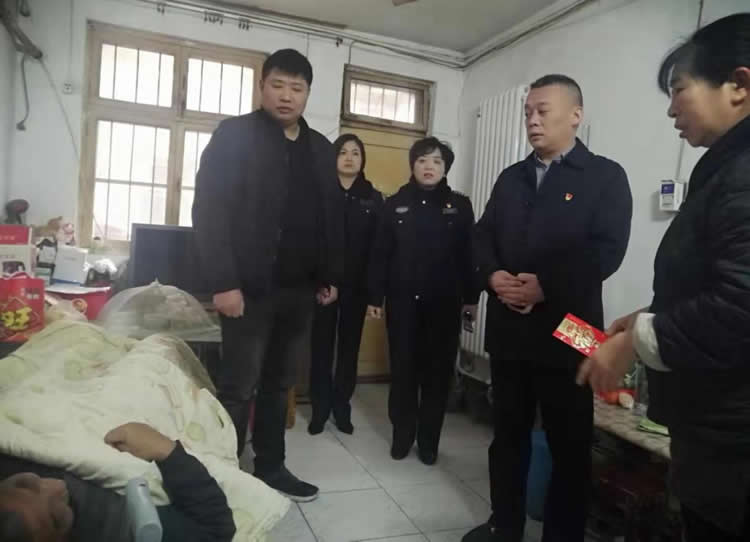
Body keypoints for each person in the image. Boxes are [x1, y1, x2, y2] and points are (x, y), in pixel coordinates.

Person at [577, 13, 750, 542]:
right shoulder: (724, 166)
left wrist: (637, 338)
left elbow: (740, 306)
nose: (671, 108)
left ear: (739, 85)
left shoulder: (742, 173)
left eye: (679, 90)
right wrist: (647, 316)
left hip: (734, 440)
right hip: (715, 431)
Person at [466, 75, 632, 542]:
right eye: (528, 113)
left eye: (543, 111)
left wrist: (546, 286)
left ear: (575, 115)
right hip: (510, 327)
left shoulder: (605, 176)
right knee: (508, 435)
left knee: (570, 443)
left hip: (573, 329)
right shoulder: (511, 177)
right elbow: (482, 236)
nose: (533, 121)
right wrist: (492, 275)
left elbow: (607, 251)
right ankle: (505, 524)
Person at [192, 49, 343, 502]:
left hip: (299, 291)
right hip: (247, 290)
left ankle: (271, 467)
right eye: (277, 85)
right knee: (239, 386)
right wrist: (223, 282)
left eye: (296, 88)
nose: (286, 96)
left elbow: (330, 216)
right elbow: (209, 210)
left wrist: (329, 274)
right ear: (262, 87)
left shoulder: (320, 148)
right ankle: (224, 473)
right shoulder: (234, 135)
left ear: (307, 94)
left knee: (280, 385)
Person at [367, 137, 479, 466]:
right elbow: (380, 254)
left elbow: (469, 256)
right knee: (403, 372)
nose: (429, 167)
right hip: (403, 303)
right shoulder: (394, 205)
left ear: (445, 168)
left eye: (437, 161)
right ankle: (402, 436)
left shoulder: (460, 206)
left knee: (437, 375)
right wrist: (375, 296)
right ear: (413, 165)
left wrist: (471, 298)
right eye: (422, 160)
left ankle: (429, 442)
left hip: (444, 304)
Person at [0, 423, 235, 542]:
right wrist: (164, 450)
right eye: (57, 517)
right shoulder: (114, 527)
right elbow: (215, 532)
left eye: (26, 483)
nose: (57, 486)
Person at [309, 134, 383, 436]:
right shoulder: (320, 193)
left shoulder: (373, 198)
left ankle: (341, 407)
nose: (349, 158)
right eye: (343, 152)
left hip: (356, 287)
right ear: (334, 158)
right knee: (321, 348)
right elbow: (312, 241)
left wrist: (375, 295)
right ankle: (319, 408)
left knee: (349, 349)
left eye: (355, 153)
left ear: (363, 160)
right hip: (324, 285)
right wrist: (319, 280)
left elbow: (378, 250)